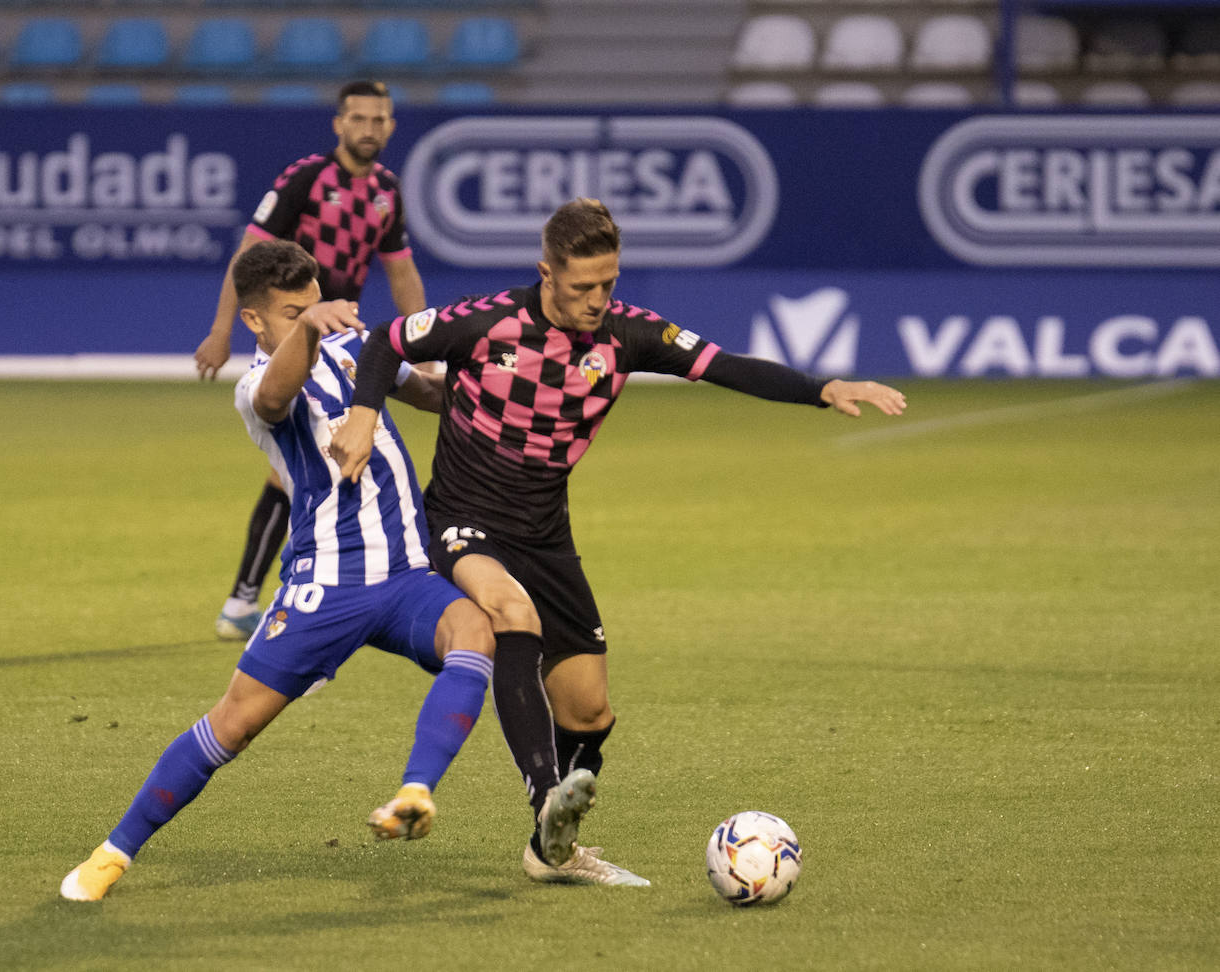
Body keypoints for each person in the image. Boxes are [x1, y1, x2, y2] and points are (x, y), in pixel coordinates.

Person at [328, 198, 908, 887]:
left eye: (608, 283)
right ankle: (547, 802)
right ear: (546, 273)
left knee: (589, 711)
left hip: (546, 534)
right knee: (512, 616)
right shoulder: (484, 322)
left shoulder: (631, 335)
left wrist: (823, 389)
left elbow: (726, 367)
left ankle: (550, 852)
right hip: (464, 517)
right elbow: (386, 340)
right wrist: (364, 414)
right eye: (582, 287)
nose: (598, 300)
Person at [61, 240, 499, 902]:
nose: (313, 315)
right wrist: (310, 329)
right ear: (255, 321)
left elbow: (433, 397)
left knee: (478, 631)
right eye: (293, 311)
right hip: (326, 587)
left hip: (408, 577)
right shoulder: (255, 386)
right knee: (233, 724)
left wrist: (485, 370)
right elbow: (275, 394)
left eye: (315, 301)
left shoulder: (357, 351)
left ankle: (414, 792)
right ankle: (113, 853)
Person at [194, 79, 429, 642]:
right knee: (294, 472)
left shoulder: (388, 192)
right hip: (292, 338)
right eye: (359, 118)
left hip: (343, 337)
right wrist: (221, 329)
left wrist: (427, 342)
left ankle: (263, 598)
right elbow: (250, 258)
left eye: (380, 119)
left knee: (305, 474)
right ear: (338, 124)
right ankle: (265, 600)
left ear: (391, 126)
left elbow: (400, 271)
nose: (369, 128)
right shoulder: (305, 179)